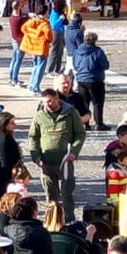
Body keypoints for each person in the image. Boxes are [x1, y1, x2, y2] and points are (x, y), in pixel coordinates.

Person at [27, 86, 85, 218]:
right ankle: (52, 221)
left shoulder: (70, 113)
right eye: (45, 102)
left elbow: (80, 134)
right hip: (46, 162)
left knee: (67, 194)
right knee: (51, 196)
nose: (48, 104)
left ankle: (69, 219)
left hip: (65, 161)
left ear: (57, 98)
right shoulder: (39, 116)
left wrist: (74, 152)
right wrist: (35, 156)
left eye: (50, 101)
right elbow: (33, 137)